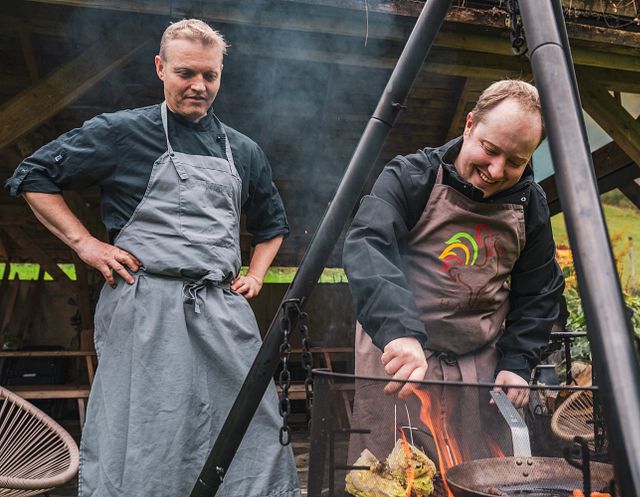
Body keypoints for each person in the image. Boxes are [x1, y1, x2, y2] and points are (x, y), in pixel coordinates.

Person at [5, 19, 300, 497]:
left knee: (250, 422)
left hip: (222, 310)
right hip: (144, 305)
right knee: (147, 427)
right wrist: (86, 244)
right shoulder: (121, 132)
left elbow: (273, 226)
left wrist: (257, 275)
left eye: (210, 75)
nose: (199, 86)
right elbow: (34, 176)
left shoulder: (243, 151)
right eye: (186, 73)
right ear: (160, 68)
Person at [343, 80, 564, 462]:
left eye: (515, 161)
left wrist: (517, 362)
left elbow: (540, 290)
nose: (496, 171)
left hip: (480, 366)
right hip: (400, 357)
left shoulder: (531, 205)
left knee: (480, 472)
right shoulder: (411, 176)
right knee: (392, 473)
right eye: (489, 150)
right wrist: (398, 331)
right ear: (469, 125)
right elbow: (367, 244)